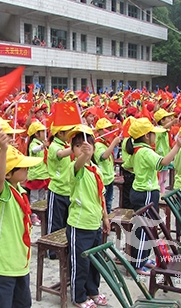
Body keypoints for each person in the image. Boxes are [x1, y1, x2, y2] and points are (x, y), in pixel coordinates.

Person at [0, 130, 42, 308]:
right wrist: (2, 151)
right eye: (22, 167)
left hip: (20, 264)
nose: (27, 169)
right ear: (9, 174)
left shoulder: (21, 191)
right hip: (3, 266)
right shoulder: (2, 193)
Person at [125, 117, 181, 275]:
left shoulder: (138, 150)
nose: (155, 136)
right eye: (152, 133)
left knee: (148, 228)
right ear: (146, 136)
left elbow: (128, 166)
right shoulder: (144, 151)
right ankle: (137, 263)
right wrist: (177, 146)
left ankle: (143, 259)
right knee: (144, 229)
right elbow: (163, 162)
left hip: (144, 191)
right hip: (145, 193)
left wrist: (142, 174)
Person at [66, 125, 111, 308]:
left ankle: (93, 290)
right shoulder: (76, 168)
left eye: (87, 144)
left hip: (95, 223)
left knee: (95, 261)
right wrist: (84, 155)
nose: (83, 148)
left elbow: (101, 196)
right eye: (77, 146)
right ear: (73, 150)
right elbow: (79, 164)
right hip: (79, 224)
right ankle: (79, 297)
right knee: (80, 264)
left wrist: (105, 218)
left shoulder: (96, 170)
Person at [46, 124, 75, 258]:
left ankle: (64, 248)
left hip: (68, 190)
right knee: (55, 223)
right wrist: (76, 147)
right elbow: (61, 154)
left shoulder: (65, 144)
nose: (70, 133)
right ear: (59, 133)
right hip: (57, 190)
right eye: (67, 131)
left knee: (67, 222)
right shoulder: (54, 146)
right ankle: (52, 250)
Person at [93, 118, 121, 213]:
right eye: (107, 129)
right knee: (103, 204)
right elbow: (103, 156)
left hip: (109, 178)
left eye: (110, 129)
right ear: (99, 131)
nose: (109, 131)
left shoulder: (106, 142)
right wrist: (113, 144)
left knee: (109, 203)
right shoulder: (97, 144)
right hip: (103, 179)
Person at [26, 121, 49, 226]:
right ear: (36, 134)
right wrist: (42, 147)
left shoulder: (41, 143)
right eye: (42, 131)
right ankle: (33, 215)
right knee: (34, 198)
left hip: (43, 174)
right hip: (35, 175)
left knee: (41, 196)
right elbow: (34, 150)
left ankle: (40, 214)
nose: (45, 133)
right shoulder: (34, 144)